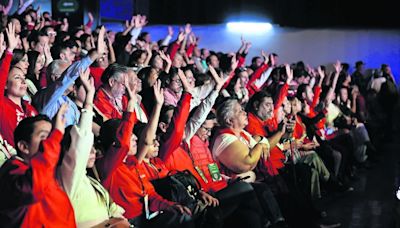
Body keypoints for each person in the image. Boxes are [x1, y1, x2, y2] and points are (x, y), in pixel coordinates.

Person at [0, 104, 76, 227]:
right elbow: (33, 187)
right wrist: (56, 136)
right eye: (44, 137)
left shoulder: (43, 170)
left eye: (50, 137)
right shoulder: (12, 172)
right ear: (24, 147)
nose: (50, 142)